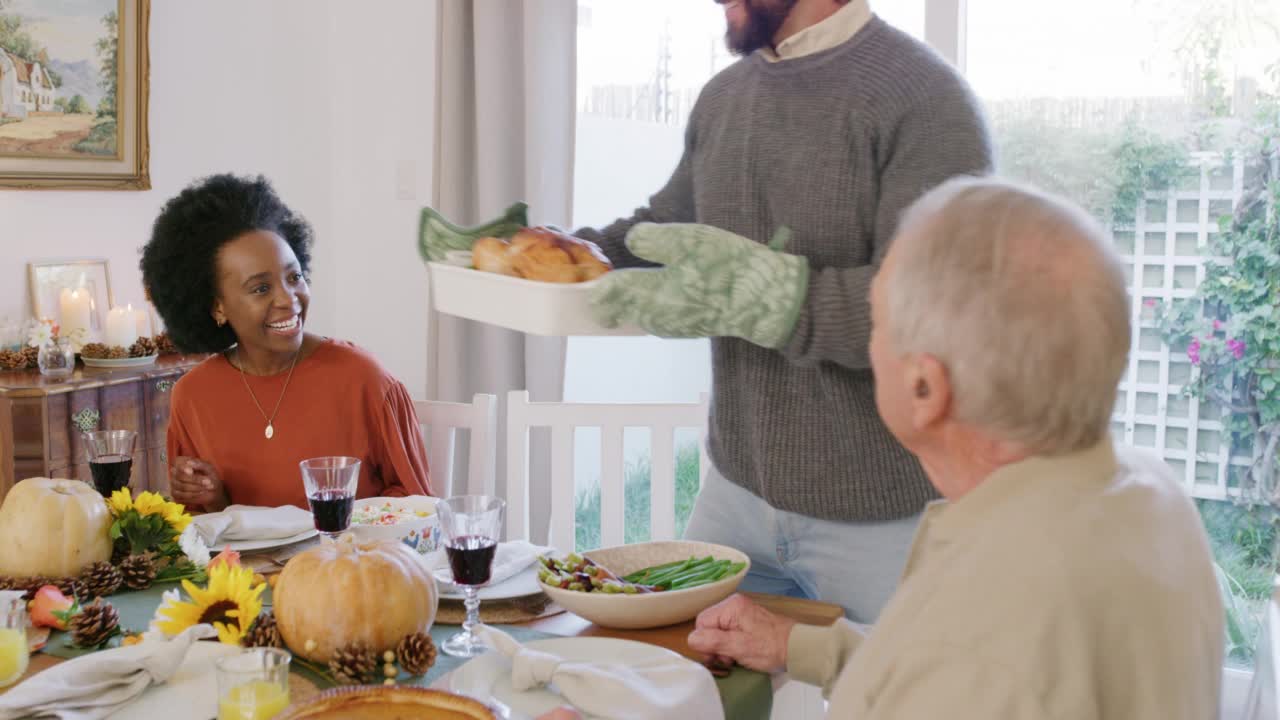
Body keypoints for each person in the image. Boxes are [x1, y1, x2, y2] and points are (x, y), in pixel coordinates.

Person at [421, 0, 993, 623]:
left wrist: (776, 300)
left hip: (881, 516)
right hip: (736, 496)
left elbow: (933, 315)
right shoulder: (724, 98)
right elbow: (662, 230)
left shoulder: (927, 100)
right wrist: (551, 250)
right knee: (690, 688)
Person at [684, 177, 1225, 719]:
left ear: (925, 388)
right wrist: (805, 646)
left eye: (876, 321)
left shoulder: (976, 633)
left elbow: (973, 665)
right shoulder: (1153, 497)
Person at [141, 174, 432, 511]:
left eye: (294, 277)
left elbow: (418, 507)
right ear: (216, 306)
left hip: (349, 560)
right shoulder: (193, 396)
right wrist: (214, 500)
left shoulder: (364, 379)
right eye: (261, 288)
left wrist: (344, 533)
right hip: (249, 566)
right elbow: (201, 534)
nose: (288, 299)